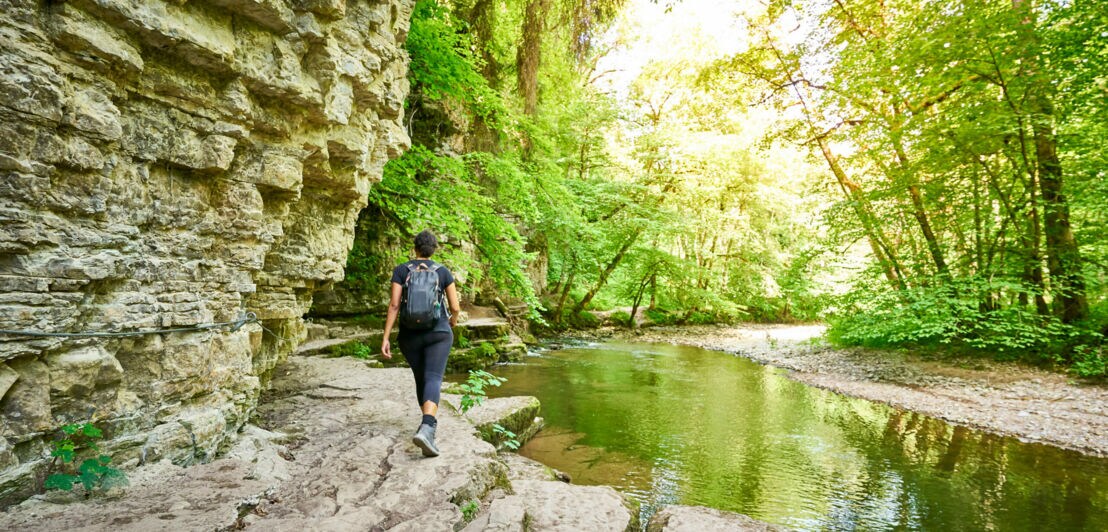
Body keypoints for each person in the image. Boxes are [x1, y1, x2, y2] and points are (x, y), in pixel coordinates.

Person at [381, 230, 461, 457]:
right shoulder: (442, 271)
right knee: (433, 377)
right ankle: (427, 428)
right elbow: (455, 307)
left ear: (415, 248)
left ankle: (426, 427)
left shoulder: (401, 270)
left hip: (410, 336)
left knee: (421, 378)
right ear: (433, 250)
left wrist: (386, 337)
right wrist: (452, 321)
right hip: (439, 333)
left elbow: (394, 305)